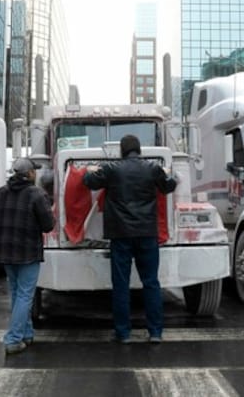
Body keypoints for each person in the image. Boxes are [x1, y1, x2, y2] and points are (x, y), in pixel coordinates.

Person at [82, 134, 177, 344]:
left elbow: (88, 182)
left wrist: (91, 170)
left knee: (121, 284)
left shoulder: (112, 169)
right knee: (151, 282)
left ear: (121, 151)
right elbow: (169, 186)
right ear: (139, 150)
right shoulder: (152, 168)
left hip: (121, 234)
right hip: (147, 233)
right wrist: (172, 174)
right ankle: (155, 333)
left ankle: (123, 333)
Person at [0, 157, 55, 355]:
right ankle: (13, 339)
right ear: (31, 174)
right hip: (28, 252)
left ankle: (26, 333)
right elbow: (48, 225)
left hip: (5, 252)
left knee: (17, 294)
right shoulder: (37, 194)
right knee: (26, 295)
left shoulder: (0, 193)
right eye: (35, 171)